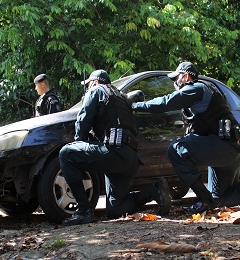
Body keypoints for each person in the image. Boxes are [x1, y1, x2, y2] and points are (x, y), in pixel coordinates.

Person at [132, 61, 240, 214]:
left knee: (175, 150)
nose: (175, 83)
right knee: (219, 199)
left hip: (224, 147)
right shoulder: (206, 92)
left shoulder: (196, 88)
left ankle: (203, 199)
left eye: (176, 79)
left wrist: (135, 106)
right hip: (233, 149)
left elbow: (165, 103)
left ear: (186, 76)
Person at [59, 69, 171, 226]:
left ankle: (84, 211)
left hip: (114, 153)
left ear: (95, 82)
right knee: (115, 210)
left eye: (88, 85)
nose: (88, 88)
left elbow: (83, 123)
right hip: (131, 157)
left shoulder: (96, 90)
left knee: (66, 154)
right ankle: (154, 191)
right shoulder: (120, 97)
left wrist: (80, 147)